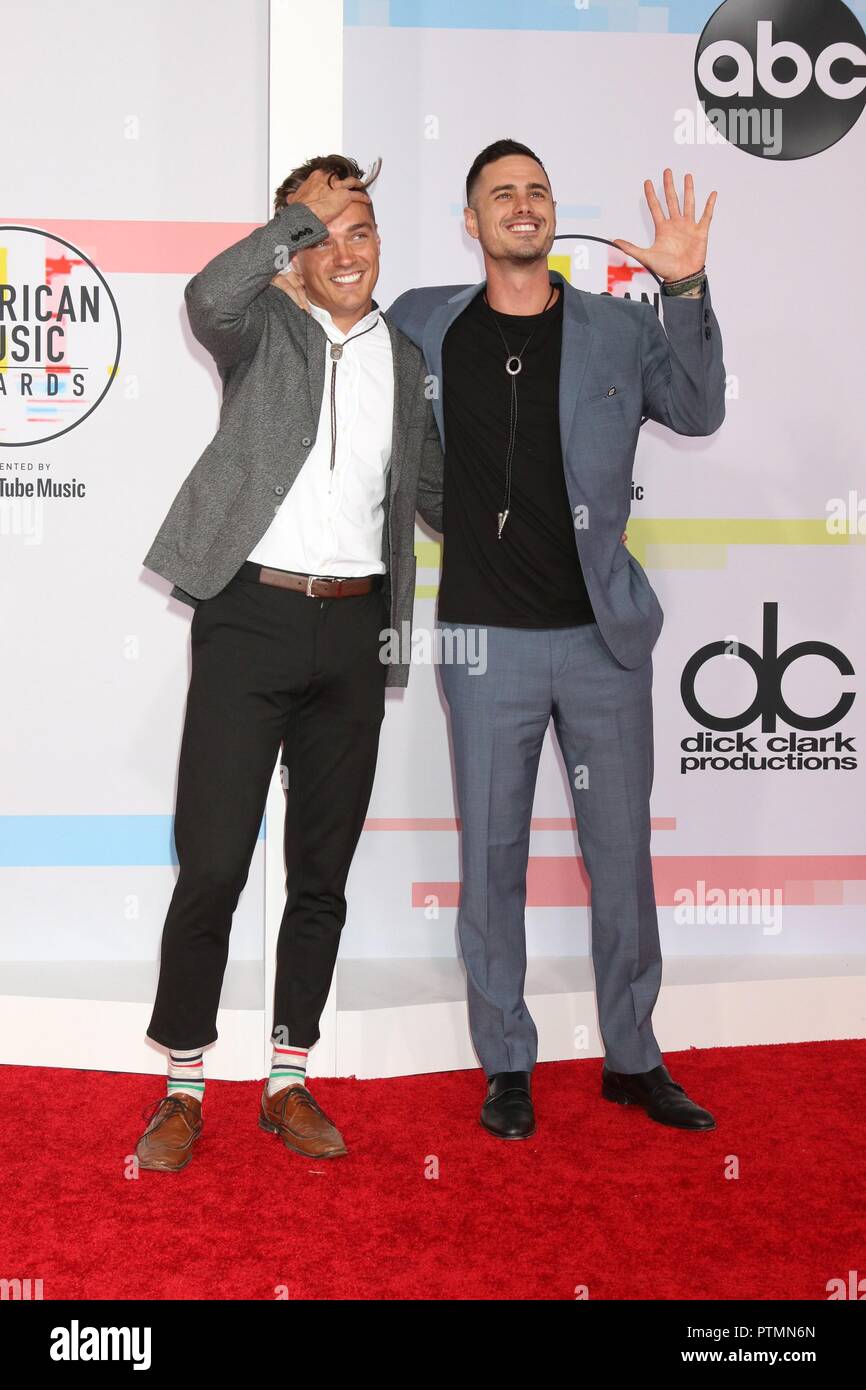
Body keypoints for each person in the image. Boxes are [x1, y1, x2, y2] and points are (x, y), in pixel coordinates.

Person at [276, 139, 725, 1140]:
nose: (520, 206)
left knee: (619, 860)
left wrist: (684, 285)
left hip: (601, 639)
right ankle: (506, 1062)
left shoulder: (615, 326)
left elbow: (697, 409)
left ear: (549, 215)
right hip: (485, 645)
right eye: (498, 196)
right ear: (470, 225)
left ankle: (632, 1056)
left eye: (535, 192)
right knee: (493, 862)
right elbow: (325, 338)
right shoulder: (423, 322)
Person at [136, 154, 442, 1170]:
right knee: (214, 861)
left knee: (322, 870)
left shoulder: (402, 356)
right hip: (248, 617)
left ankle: (287, 1077)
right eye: (318, 233)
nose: (342, 251)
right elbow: (202, 294)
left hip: (355, 632)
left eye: (359, 230)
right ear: (291, 248)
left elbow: (434, 490)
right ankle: (182, 1085)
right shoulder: (259, 324)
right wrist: (290, 227)